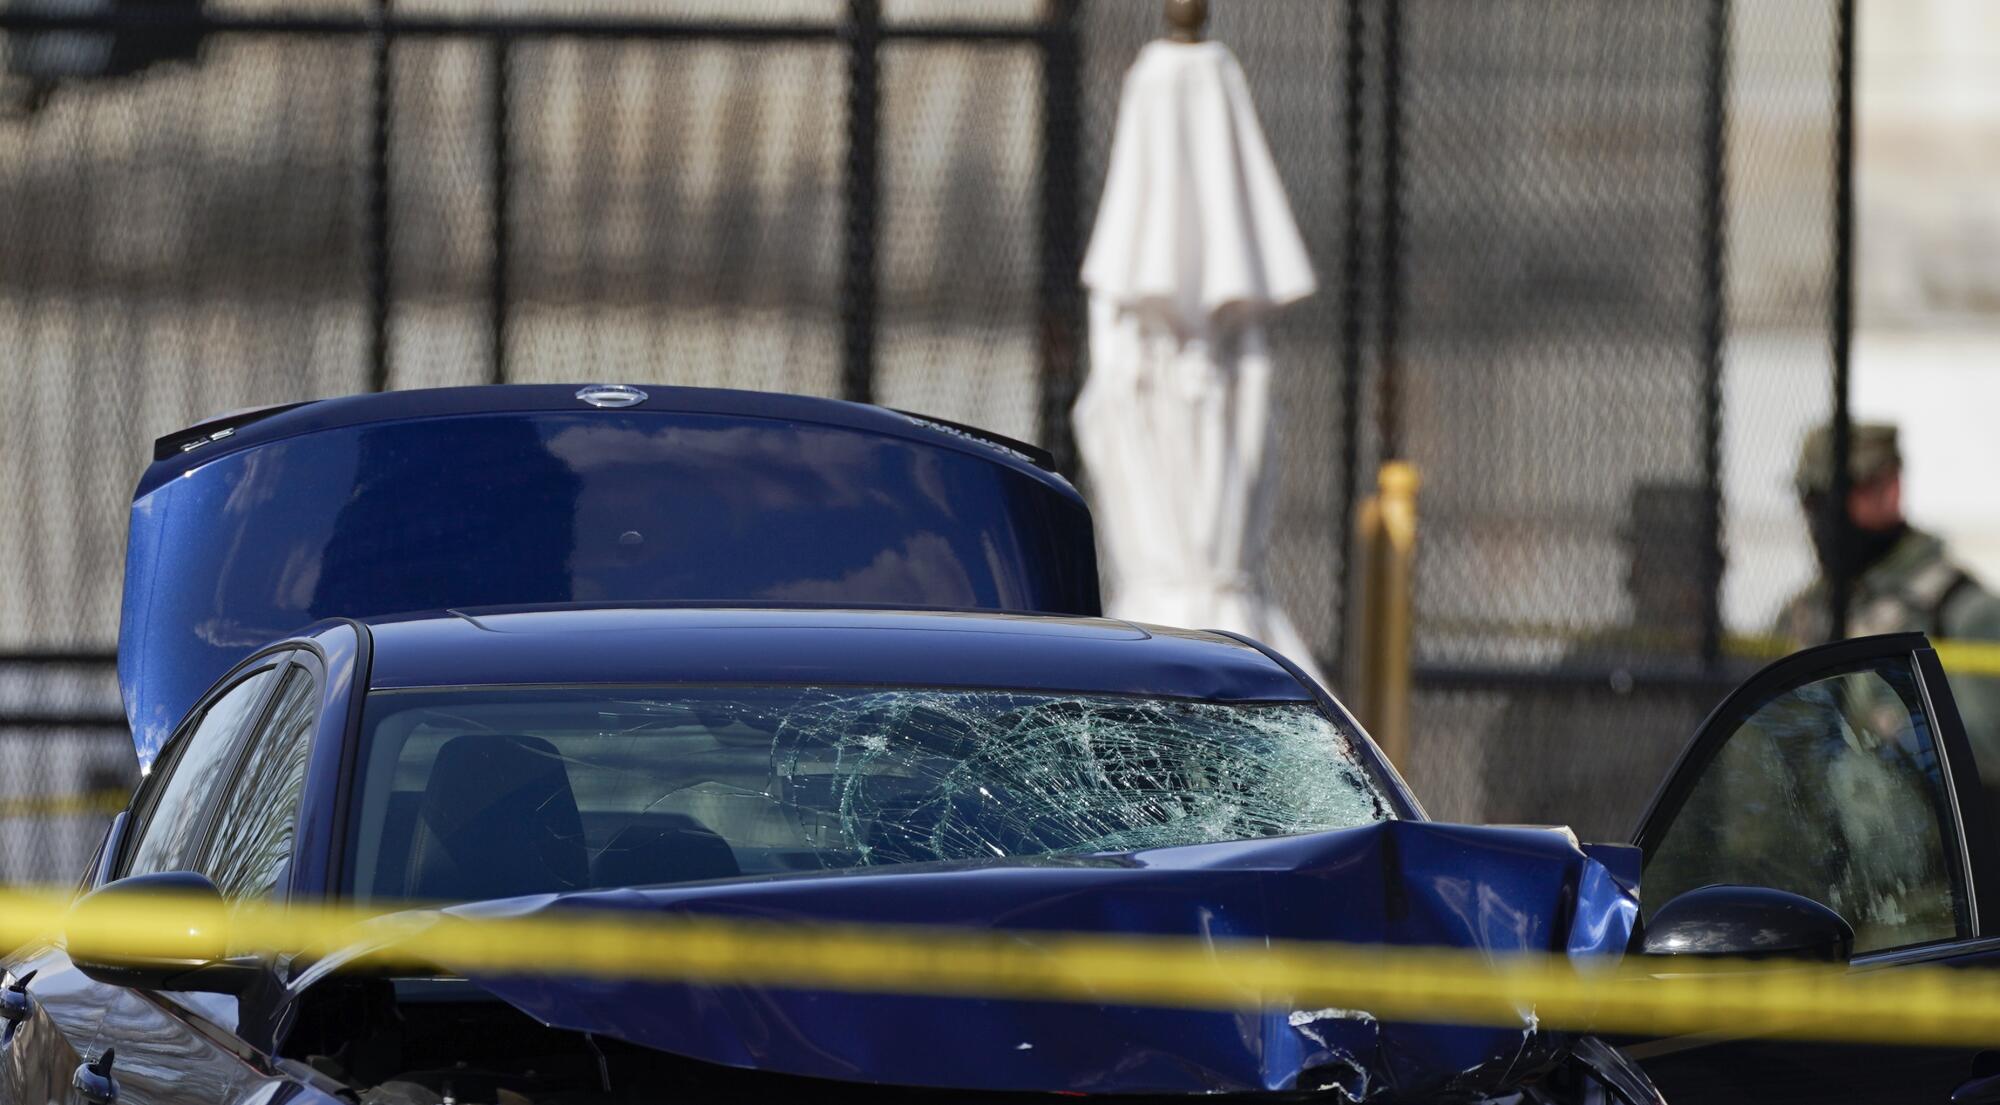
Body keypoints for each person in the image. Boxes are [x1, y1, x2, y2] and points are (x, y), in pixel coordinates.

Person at [1775, 420, 2000, 784]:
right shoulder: (1801, 611)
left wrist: (1885, 724)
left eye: (1841, 496)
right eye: (1812, 499)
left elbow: (1988, 755)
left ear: (1890, 490)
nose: (1822, 517)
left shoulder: (1962, 611)